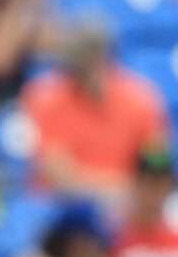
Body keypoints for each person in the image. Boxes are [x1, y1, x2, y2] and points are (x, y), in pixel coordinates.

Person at [22, 18, 171, 200]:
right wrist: (115, 189)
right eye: (77, 62)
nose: (81, 70)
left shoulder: (141, 100)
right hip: (65, 206)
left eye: (88, 61)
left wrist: (126, 191)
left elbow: (155, 168)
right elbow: (56, 173)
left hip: (127, 206)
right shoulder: (47, 97)